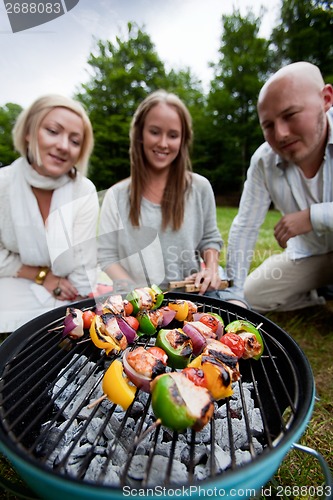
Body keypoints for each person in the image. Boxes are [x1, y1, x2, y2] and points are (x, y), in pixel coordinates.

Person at [98, 90, 228, 296]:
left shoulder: (200, 187)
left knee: (237, 307)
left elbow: (209, 239)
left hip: (193, 296)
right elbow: (106, 256)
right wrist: (137, 292)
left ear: (183, 140)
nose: (163, 143)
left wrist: (211, 269)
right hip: (136, 300)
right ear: (140, 134)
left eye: (173, 135)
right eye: (155, 132)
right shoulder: (116, 196)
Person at [226, 61, 333, 312]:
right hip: (309, 256)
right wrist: (234, 291)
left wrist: (313, 217)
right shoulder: (264, 160)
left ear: (326, 99)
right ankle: (320, 294)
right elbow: (245, 226)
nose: (281, 134)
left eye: (290, 115)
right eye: (269, 126)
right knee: (251, 295)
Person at [0, 94, 99, 333]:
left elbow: (83, 267)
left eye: (75, 141)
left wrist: (66, 290)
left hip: (68, 290)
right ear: (29, 132)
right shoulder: (3, 184)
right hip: (13, 281)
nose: (64, 146)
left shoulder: (84, 190)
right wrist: (43, 276)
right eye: (53, 131)